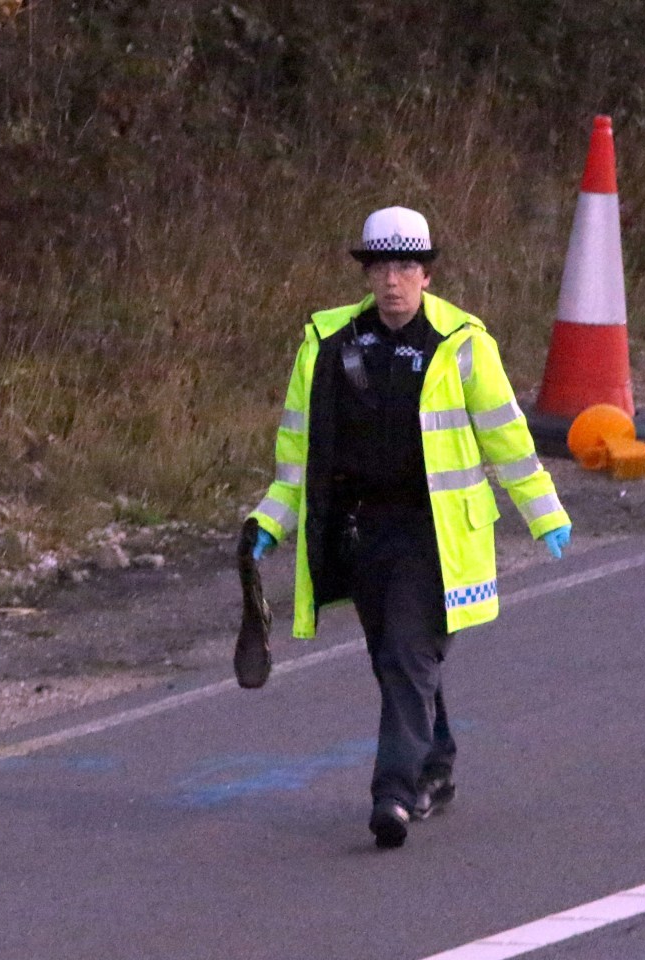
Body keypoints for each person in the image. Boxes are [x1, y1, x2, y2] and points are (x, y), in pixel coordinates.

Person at [244, 206, 571, 848]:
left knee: (405, 654)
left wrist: (544, 512)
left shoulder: (462, 343)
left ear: (426, 272)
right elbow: (297, 453)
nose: (393, 280)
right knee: (394, 659)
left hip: (437, 536)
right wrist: (271, 521)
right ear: (366, 273)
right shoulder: (327, 345)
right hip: (363, 532)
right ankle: (437, 763)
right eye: (381, 266)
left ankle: (393, 793)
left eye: (406, 265)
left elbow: (507, 437)